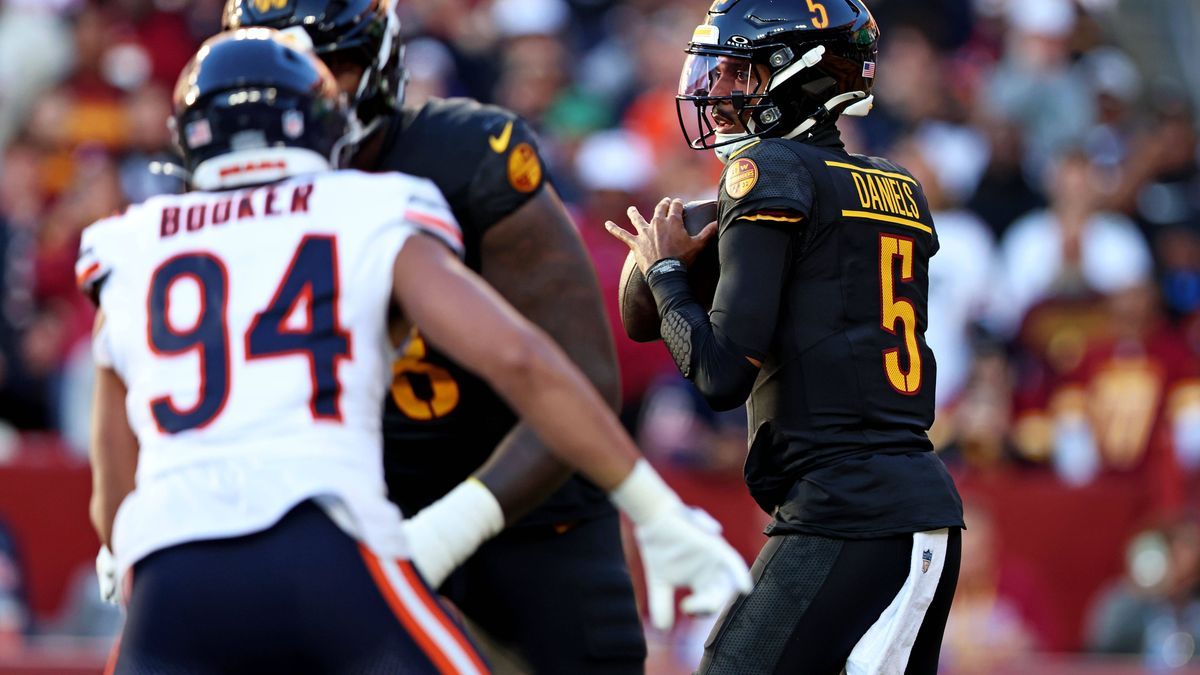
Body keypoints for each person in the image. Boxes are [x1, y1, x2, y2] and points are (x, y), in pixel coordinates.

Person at [82, 28, 749, 673]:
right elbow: (523, 359)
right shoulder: (364, 207)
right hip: (322, 542)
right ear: (318, 118)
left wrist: (121, 554)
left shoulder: (127, 242)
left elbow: (112, 480)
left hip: (171, 570)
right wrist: (655, 508)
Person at [220, 3, 652, 670]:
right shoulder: (229, 196)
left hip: (528, 515)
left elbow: (584, 376)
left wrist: (455, 523)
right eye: (286, 72)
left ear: (380, 60)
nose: (313, 93)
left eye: (333, 66)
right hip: (357, 520)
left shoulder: (466, 156)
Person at [606, 1, 964, 672]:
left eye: (738, 74)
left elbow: (719, 373)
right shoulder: (898, 185)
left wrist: (662, 272)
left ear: (798, 77)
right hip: (919, 505)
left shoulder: (767, 172)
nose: (715, 93)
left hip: (844, 513)